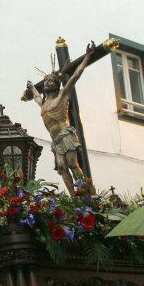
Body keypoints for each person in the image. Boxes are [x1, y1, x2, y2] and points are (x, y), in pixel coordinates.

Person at [23, 41, 95, 195]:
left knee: (72, 164)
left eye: (50, 80)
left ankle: (87, 193)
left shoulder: (62, 96)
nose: (47, 82)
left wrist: (87, 57)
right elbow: (35, 95)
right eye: (46, 80)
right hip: (56, 141)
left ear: (56, 84)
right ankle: (73, 197)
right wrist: (32, 88)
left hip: (66, 135)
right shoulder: (43, 104)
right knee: (62, 168)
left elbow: (75, 75)